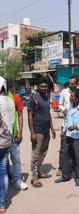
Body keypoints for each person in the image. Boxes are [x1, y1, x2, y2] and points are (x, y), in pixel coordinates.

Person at [55, 89, 79, 187]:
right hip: (68, 136)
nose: (70, 97)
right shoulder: (70, 106)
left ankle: (78, 177)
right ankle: (65, 176)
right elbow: (67, 119)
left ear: (78, 98)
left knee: (78, 158)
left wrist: (77, 126)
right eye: (70, 96)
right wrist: (63, 131)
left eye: (73, 96)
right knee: (66, 156)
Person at [28, 78, 56, 188]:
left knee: (43, 152)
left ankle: (39, 172)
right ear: (38, 87)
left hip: (46, 130)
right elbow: (30, 116)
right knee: (36, 154)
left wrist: (52, 128)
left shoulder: (46, 98)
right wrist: (32, 133)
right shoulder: (33, 99)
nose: (44, 88)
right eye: (42, 86)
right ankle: (34, 178)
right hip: (37, 131)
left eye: (46, 86)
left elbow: (48, 114)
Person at [7, 90, 28, 190]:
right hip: (1, 137)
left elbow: (20, 115)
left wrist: (20, 132)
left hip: (13, 135)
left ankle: (18, 180)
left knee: (16, 158)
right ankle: (8, 177)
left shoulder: (15, 98)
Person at [57, 75, 78, 176]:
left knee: (75, 147)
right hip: (65, 124)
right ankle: (61, 167)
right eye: (70, 83)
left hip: (76, 125)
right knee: (63, 148)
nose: (71, 85)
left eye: (73, 84)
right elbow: (59, 104)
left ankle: (73, 166)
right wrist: (63, 109)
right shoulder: (64, 92)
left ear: (76, 84)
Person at [0, 77, 15, 213]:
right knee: (3, 171)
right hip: (6, 141)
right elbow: (11, 121)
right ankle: (3, 204)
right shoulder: (10, 101)